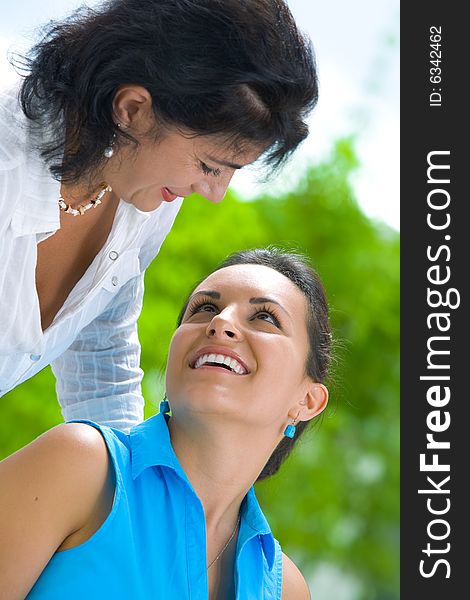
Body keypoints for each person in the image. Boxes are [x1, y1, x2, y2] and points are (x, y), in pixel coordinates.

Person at [0, 0, 319, 431]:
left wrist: (137, 485)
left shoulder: (147, 199)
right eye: (210, 165)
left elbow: (103, 357)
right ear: (131, 109)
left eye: (230, 172)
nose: (215, 193)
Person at [0, 247, 331, 599]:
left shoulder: (285, 588)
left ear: (307, 401)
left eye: (265, 317)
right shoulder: (79, 464)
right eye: (205, 308)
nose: (220, 323)